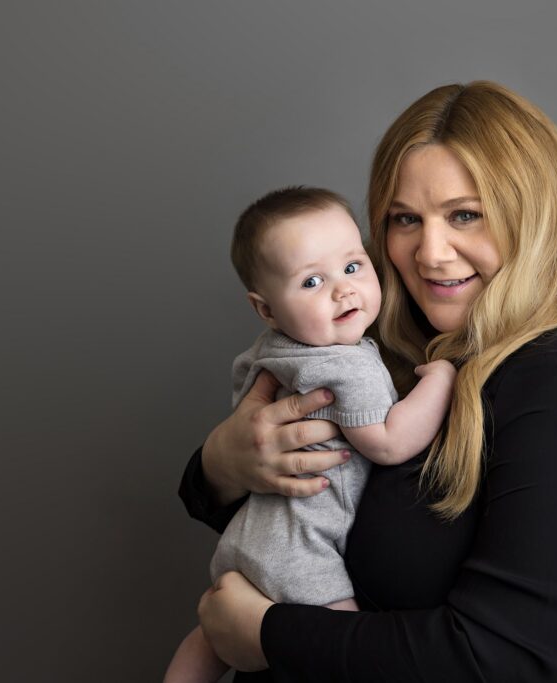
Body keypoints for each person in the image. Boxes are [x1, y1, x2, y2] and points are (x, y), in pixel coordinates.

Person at [179, 81, 557, 682]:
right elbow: (307, 523)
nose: (430, 253)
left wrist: (266, 635)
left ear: (535, 219)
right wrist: (221, 467)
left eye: (465, 215)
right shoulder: (391, 356)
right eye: (406, 219)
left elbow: (510, 660)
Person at [165, 187, 457, 683]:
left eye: (352, 267)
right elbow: (389, 441)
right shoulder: (347, 366)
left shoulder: (270, 352)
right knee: (341, 648)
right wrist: (441, 381)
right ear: (267, 308)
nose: (343, 291)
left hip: (246, 538)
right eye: (312, 281)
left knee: (208, 636)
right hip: (305, 550)